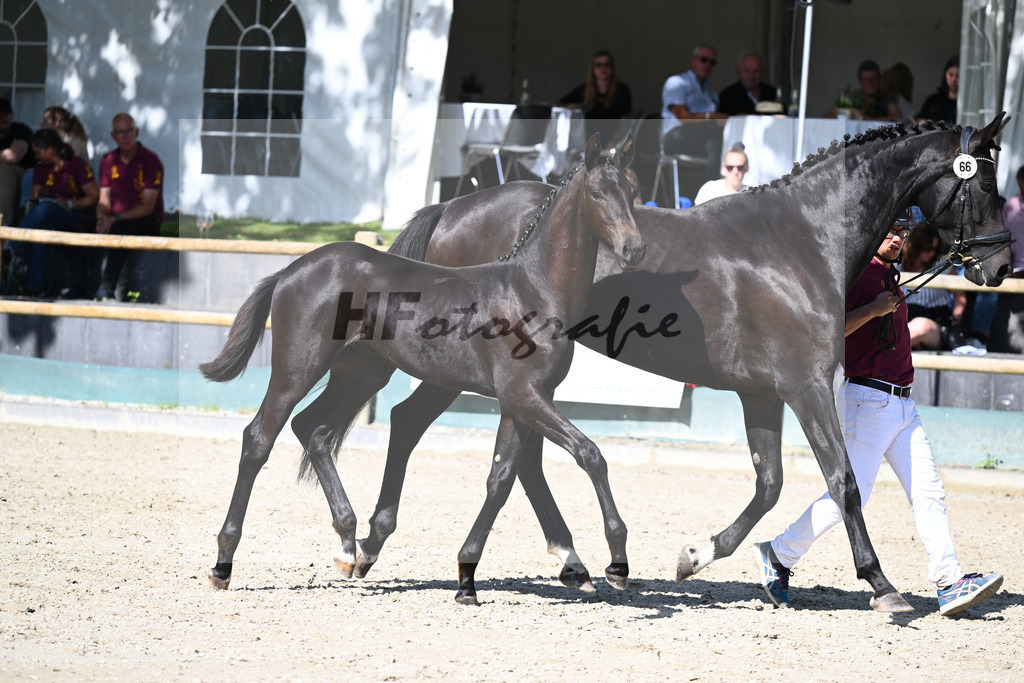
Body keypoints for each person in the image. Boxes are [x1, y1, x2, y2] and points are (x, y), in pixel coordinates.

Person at [753, 211, 1003, 617]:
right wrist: (873, 309)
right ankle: (778, 554)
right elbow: (826, 333)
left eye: (903, 232)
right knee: (849, 498)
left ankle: (949, 581)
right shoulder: (855, 274)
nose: (897, 238)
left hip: (903, 403)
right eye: (891, 231)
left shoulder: (889, 274)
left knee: (929, 492)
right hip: (867, 399)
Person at [6, 128, 98, 297]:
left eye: (38, 152)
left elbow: (93, 196)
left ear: (50, 149)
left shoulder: (76, 163)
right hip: (48, 214)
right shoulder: (41, 166)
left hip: (75, 215)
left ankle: (13, 247)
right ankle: (34, 288)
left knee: (47, 208)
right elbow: (34, 197)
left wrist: (69, 203)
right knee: (40, 231)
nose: (36, 157)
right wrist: (42, 194)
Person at [94, 112, 164, 301]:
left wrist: (114, 219)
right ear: (113, 136)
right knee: (78, 226)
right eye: (120, 132)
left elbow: (148, 207)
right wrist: (102, 217)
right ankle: (76, 287)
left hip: (146, 220)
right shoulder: (107, 160)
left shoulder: (150, 160)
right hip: (115, 219)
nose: (125, 136)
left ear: (136, 132)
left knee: (120, 228)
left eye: (128, 131)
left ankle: (107, 288)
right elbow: (104, 198)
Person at [660, 44, 726, 182]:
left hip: (702, 140)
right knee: (717, 127)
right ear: (693, 60)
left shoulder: (711, 93)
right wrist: (711, 116)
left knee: (716, 141)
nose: (707, 64)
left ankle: (712, 187)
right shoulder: (676, 82)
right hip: (675, 138)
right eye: (703, 59)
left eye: (712, 62)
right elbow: (683, 117)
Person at [900, 223, 966, 349]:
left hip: (934, 321)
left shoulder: (943, 265)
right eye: (926, 249)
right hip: (904, 318)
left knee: (922, 326)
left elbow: (960, 296)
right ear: (915, 247)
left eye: (935, 249)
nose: (931, 253)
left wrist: (955, 319)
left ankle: (885, 352)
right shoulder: (898, 265)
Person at [557, 50, 633, 145]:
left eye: (607, 65)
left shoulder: (622, 90)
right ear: (593, 68)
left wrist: (614, 141)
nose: (603, 68)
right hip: (588, 138)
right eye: (599, 65)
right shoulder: (585, 89)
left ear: (612, 67)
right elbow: (559, 103)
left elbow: (625, 120)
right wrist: (568, 108)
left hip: (613, 138)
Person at [0, 97, 36, 226]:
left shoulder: (21, 130)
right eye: (0, 115)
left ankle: (3, 223)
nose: (3, 118)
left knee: (5, 169)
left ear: (12, 115)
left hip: (25, 179)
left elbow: (13, 156)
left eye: (6, 114)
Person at [828, 60, 899, 121]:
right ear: (860, 81)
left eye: (874, 79)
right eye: (866, 79)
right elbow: (828, 116)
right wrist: (849, 114)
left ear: (879, 79)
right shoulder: (852, 96)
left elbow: (897, 117)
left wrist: (869, 120)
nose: (870, 83)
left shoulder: (885, 97)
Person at [717, 52, 778, 116]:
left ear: (762, 72)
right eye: (747, 71)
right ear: (738, 71)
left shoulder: (771, 93)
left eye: (756, 71)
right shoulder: (727, 96)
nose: (751, 76)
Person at [917, 55, 959, 124]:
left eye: (958, 76)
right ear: (945, 74)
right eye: (950, 75)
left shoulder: (966, 106)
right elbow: (921, 124)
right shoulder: (932, 100)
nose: (953, 79)